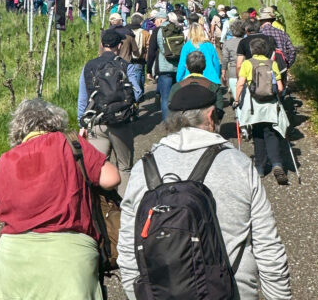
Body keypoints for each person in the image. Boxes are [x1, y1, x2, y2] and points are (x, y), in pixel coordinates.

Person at [118, 84, 293, 300]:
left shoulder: (142, 169)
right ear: (211, 116)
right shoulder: (238, 165)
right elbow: (268, 247)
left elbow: (128, 253)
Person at [0, 98, 121, 300]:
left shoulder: (6, 159)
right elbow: (112, 179)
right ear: (55, 122)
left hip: (12, 257)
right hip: (67, 256)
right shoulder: (70, 143)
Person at [79, 30, 141, 195]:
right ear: (119, 46)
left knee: (96, 168)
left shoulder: (89, 66)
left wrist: (82, 122)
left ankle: (100, 209)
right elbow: (137, 92)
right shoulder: (127, 66)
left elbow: (83, 98)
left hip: (97, 123)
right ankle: (125, 208)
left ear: (101, 45)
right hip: (121, 123)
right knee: (124, 167)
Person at [235, 38, 289, 184]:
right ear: (266, 50)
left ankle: (260, 167)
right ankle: (277, 163)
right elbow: (279, 88)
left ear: (252, 50)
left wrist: (236, 99)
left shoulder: (247, 63)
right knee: (271, 133)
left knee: (258, 134)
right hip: (270, 104)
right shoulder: (272, 64)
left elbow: (240, 83)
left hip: (254, 105)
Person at [146, 11, 180, 122]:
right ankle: (177, 120)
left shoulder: (157, 31)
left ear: (160, 20)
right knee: (176, 96)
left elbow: (151, 52)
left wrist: (149, 69)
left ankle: (168, 123)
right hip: (178, 66)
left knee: (165, 98)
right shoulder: (177, 28)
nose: (155, 23)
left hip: (164, 68)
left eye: (155, 20)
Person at [222, 19, 246, 102]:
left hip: (233, 72)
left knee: (237, 98)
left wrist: (223, 73)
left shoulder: (227, 43)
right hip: (247, 72)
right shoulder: (248, 42)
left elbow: (225, 59)